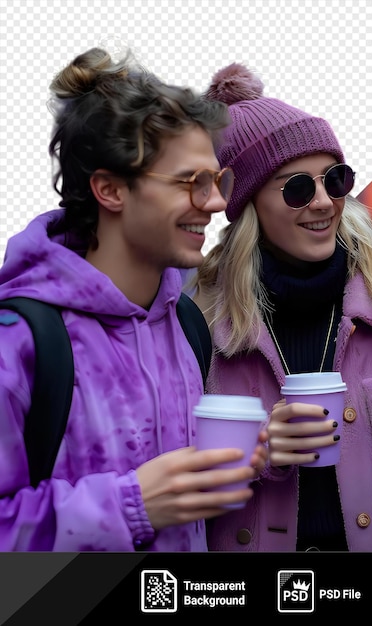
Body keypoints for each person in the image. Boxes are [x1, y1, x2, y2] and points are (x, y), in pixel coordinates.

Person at [0, 48, 267, 551]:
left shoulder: (186, 321)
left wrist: (254, 452)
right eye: (193, 182)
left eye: (217, 180)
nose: (216, 202)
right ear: (111, 190)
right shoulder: (19, 339)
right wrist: (131, 507)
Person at [191, 62, 372, 551]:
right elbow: (168, 485)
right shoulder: (200, 321)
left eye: (335, 179)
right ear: (248, 203)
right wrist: (257, 454)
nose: (323, 202)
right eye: (297, 187)